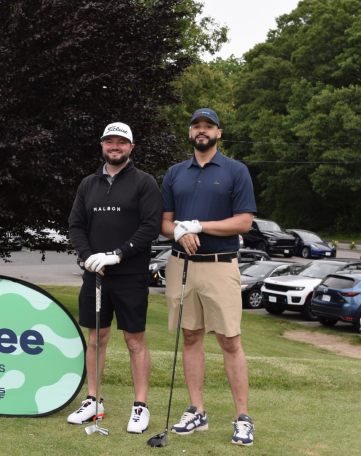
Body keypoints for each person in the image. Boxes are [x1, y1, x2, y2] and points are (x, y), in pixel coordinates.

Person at [160, 108, 256, 446]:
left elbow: (244, 222)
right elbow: (165, 221)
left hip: (220, 264)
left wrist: (198, 225)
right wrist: (178, 233)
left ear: (219, 132)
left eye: (208, 126)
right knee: (190, 336)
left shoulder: (235, 170)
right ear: (190, 133)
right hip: (181, 264)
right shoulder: (175, 172)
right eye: (197, 126)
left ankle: (243, 417)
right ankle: (196, 411)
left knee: (230, 340)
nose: (202, 131)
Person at [67, 122, 162, 434]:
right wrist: (87, 257)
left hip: (130, 274)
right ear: (102, 145)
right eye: (109, 141)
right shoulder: (88, 184)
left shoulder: (144, 182)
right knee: (96, 338)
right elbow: (76, 226)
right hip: (95, 276)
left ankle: (140, 406)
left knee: (134, 340)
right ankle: (94, 401)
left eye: (121, 142)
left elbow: (150, 226)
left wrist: (118, 254)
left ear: (131, 147)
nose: (115, 147)